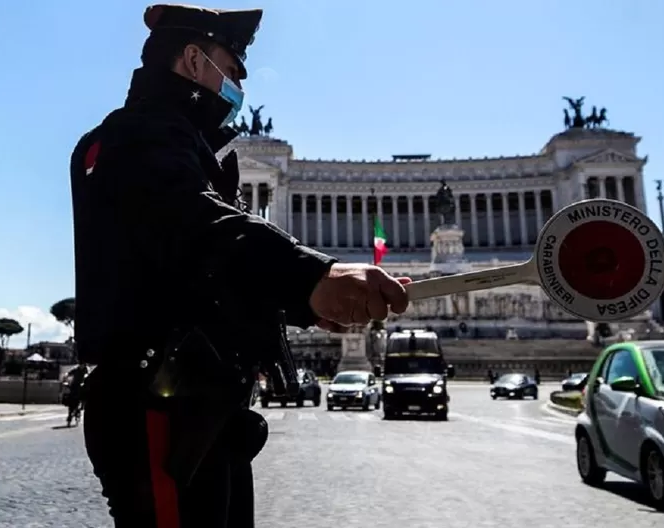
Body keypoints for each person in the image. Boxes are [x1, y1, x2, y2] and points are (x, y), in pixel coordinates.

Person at [69, 5, 410, 527]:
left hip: (196, 406)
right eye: (231, 67)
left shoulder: (177, 142)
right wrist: (309, 278)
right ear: (192, 59)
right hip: (159, 402)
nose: (237, 83)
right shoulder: (137, 136)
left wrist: (299, 304)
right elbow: (197, 229)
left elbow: (200, 275)